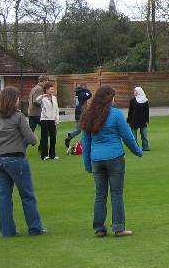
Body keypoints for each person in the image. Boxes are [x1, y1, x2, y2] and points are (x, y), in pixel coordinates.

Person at [80, 85, 143, 237]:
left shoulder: (88, 115)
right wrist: (138, 151)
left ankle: (99, 228)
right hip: (115, 158)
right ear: (110, 98)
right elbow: (127, 136)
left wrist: (87, 164)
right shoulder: (116, 114)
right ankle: (118, 227)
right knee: (116, 194)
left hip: (96, 159)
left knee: (100, 195)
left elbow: (86, 142)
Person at [0, 86, 46, 237]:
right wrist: (29, 140)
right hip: (16, 158)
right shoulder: (18, 117)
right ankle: (35, 228)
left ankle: (7, 230)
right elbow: (31, 139)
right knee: (27, 195)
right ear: (13, 100)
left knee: (4, 197)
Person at [36, 82, 59, 161]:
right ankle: (44, 155)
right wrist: (42, 96)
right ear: (46, 90)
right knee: (44, 138)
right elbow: (36, 101)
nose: (52, 90)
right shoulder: (43, 98)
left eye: (53, 89)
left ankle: (52, 155)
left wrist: (57, 119)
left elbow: (56, 109)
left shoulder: (54, 98)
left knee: (53, 138)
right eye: (50, 89)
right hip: (44, 120)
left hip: (52, 120)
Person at [65, 83, 92, 148]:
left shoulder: (77, 95)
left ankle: (70, 136)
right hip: (82, 113)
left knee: (79, 129)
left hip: (77, 112)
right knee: (85, 130)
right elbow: (90, 94)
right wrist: (86, 90)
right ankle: (80, 144)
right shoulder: (82, 94)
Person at [127, 87, 151, 152]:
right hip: (134, 120)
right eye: (134, 91)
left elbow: (147, 111)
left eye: (135, 91)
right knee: (133, 136)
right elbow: (130, 111)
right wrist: (128, 120)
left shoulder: (145, 101)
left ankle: (145, 147)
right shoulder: (132, 100)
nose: (134, 92)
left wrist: (147, 120)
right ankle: (135, 148)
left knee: (144, 135)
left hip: (143, 120)